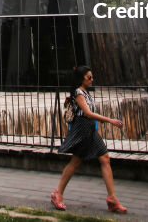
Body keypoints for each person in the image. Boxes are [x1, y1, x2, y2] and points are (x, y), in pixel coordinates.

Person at [51, 65, 127, 214]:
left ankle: (112, 199)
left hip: (90, 130)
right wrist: (110, 120)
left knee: (105, 158)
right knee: (76, 162)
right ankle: (57, 193)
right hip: (83, 130)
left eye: (92, 77)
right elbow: (88, 113)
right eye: (89, 77)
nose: (92, 80)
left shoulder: (85, 92)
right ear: (82, 79)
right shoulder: (79, 92)